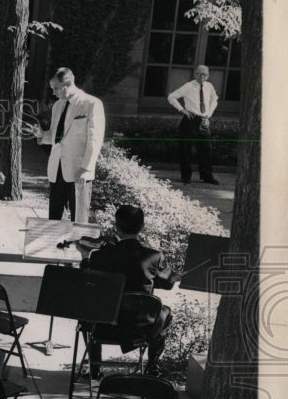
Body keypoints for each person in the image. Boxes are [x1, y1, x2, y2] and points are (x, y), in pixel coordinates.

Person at [76, 204, 181, 378]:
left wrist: (85, 257)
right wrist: (173, 277)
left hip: (103, 327)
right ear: (142, 227)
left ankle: (95, 368)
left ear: (116, 227)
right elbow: (167, 283)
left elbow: (86, 283)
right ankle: (152, 368)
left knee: (89, 308)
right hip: (140, 328)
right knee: (165, 313)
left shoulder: (99, 256)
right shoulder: (154, 257)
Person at [28, 67, 105, 222]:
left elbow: (95, 139)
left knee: (79, 221)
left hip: (79, 171)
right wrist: (41, 135)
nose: (53, 92)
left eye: (56, 88)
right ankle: (56, 246)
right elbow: (56, 137)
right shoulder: (57, 106)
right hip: (57, 170)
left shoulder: (91, 104)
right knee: (55, 221)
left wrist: (86, 168)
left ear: (68, 83)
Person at [167, 65, 219, 185]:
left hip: (204, 121)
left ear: (208, 75)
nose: (202, 76)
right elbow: (171, 97)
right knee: (186, 149)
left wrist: (208, 115)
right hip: (190, 120)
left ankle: (207, 176)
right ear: (195, 74)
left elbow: (214, 100)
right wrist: (182, 110)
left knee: (206, 149)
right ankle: (186, 176)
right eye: (199, 74)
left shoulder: (209, 86)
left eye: (204, 74)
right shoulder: (188, 86)